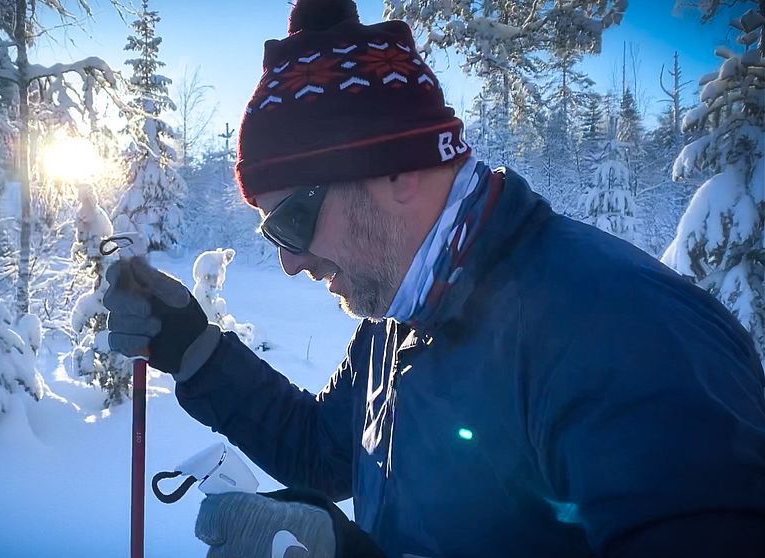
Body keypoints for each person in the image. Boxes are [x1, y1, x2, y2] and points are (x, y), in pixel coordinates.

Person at [103, 1, 765, 556]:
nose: (289, 261)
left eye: (294, 222)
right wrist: (196, 352)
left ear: (397, 171)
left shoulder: (624, 335)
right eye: (270, 233)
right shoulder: (402, 316)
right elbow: (323, 452)